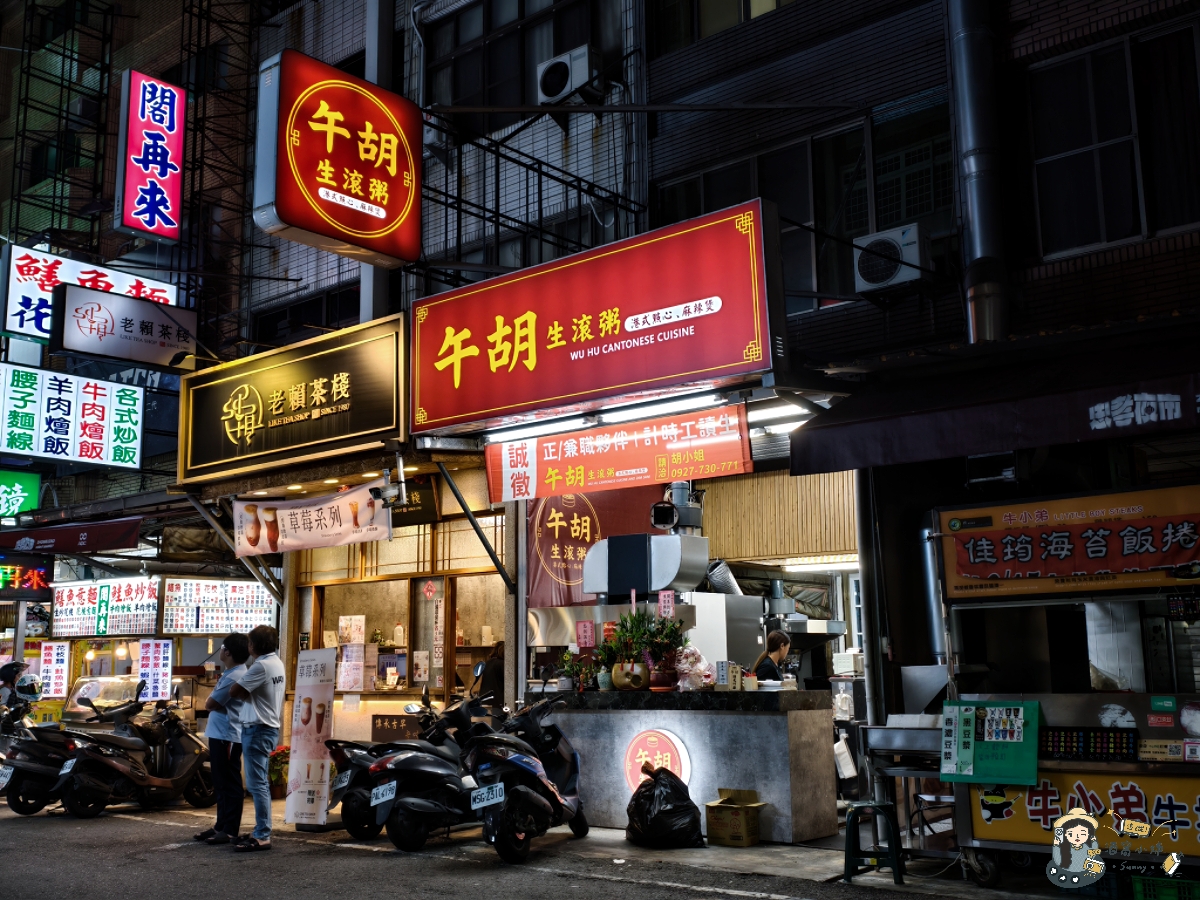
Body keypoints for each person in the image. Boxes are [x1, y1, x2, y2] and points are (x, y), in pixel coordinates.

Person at [230, 625, 285, 852]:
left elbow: (235, 691)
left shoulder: (261, 666)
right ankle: (260, 830)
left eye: (250, 642)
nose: (248, 646)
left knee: (257, 784)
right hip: (268, 728)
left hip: (258, 729)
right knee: (259, 782)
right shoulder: (277, 662)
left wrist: (246, 691)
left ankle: (262, 834)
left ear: (254, 645)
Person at [194, 633, 249, 846]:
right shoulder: (231, 673)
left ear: (228, 652)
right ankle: (221, 825)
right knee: (220, 781)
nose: (220, 651)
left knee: (229, 782)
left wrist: (211, 700)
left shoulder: (236, 676)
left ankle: (230, 830)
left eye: (222, 647)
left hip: (228, 735)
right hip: (220, 734)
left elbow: (210, 704)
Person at [1047, 807, 1105, 887]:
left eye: (1082, 834)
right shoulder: (1064, 848)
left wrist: (1094, 843)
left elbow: (1093, 853)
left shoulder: (1085, 847)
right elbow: (1058, 859)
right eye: (1071, 834)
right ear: (1065, 834)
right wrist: (1057, 846)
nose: (1077, 837)